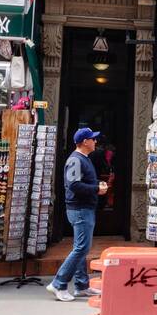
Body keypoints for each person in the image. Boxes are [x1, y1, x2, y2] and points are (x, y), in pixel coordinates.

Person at [47, 128, 108, 302]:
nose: (95, 142)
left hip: (83, 208)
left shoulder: (83, 159)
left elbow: (82, 182)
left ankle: (81, 285)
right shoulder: (75, 159)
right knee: (81, 248)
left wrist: (97, 183)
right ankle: (58, 283)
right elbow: (74, 185)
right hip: (80, 209)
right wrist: (96, 188)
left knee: (80, 248)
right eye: (92, 139)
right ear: (84, 142)